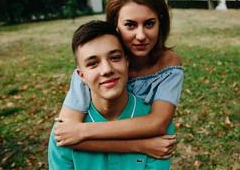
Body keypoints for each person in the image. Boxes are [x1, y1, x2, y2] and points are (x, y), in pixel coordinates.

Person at [54, 0, 183, 159]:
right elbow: (65, 135)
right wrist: (140, 145)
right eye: (130, 25)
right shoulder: (94, 68)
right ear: (115, 25)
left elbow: (158, 123)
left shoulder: (169, 64)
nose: (141, 36)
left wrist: (83, 131)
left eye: (149, 24)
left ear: (160, 24)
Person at [49, 20, 175, 169]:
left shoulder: (153, 121)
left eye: (115, 58)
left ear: (127, 62)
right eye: (93, 63)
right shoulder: (66, 131)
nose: (106, 70)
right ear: (81, 75)